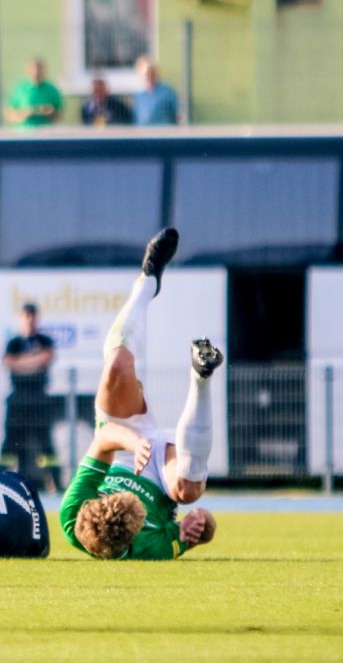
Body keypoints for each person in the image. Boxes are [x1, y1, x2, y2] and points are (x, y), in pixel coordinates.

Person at [59, 227, 222, 560]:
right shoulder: (150, 548)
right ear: (132, 537)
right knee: (187, 490)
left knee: (117, 367)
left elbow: (104, 439)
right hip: (163, 476)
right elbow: (206, 525)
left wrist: (134, 443)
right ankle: (201, 376)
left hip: (121, 451)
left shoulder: (73, 516)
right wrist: (199, 523)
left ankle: (147, 282)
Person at [1, 303, 58, 494]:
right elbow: (9, 363)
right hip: (18, 399)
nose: (30, 319)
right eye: (26, 316)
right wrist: (33, 362)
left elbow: (46, 358)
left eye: (33, 316)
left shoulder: (44, 340)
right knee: (11, 443)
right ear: (21, 318)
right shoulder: (14, 342)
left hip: (38, 398)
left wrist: (22, 362)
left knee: (45, 444)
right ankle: (0, 479)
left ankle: (55, 483)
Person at [5, 58, 63, 127]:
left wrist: (48, 112)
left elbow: (59, 114)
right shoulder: (20, 89)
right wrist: (25, 114)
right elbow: (10, 114)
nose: (36, 72)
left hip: (46, 132)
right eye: (33, 69)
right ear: (28, 70)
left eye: (39, 69)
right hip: (24, 133)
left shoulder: (51, 89)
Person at [132, 57, 180, 126]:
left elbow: (176, 116)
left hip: (164, 134)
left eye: (151, 71)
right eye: (145, 72)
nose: (148, 75)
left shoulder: (167, 93)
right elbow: (135, 119)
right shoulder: (139, 96)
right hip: (143, 135)